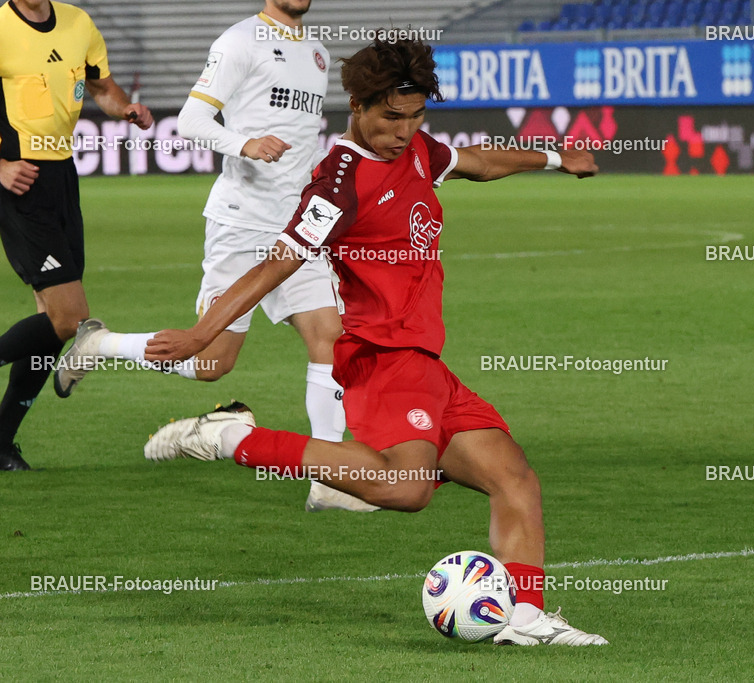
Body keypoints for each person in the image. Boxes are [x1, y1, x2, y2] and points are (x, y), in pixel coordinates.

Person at [141, 37, 607, 645]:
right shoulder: (338, 180)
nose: (405, 131)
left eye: (415, 117)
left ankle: (525, 619)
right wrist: (201, 334)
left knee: (514, 479)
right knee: (407, 489)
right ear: (357, 106)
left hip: (425, 362)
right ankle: (232, 438)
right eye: (391, 117)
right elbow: (277, 263)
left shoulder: (416, 152)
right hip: (380, 355)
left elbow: (476, 162)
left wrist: (551, 161)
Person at [51, 0, 368, 511]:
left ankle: (328, 480)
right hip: (241, 221)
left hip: (297, 227)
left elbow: (305, 141)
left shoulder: (317, 53)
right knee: (212, 363)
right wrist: (245, 144)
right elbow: (192, 121)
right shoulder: (240, 40)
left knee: (330, 338)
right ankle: (101, 344)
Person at [0, 0, 152, 471]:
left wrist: (123, 107)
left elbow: (101, 87)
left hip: (62, 177)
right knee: (70, 319)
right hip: (20, 177)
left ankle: (2, 442)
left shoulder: (78, 22)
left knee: (49, 322)